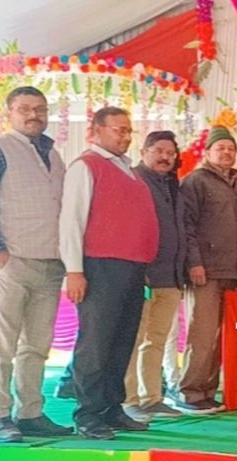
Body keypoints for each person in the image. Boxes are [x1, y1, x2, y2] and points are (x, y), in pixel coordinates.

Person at [0, 86, 72, 442]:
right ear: (9, 113)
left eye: (40, 108)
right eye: (24, 108)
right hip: (11, 259)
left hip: (50, 262)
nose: (33, 115)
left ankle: (30, 413)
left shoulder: (54, 155)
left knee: (37, 345)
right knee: (3, 344)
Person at [60, 107, 159, 439]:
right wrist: (74, 270)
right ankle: (88, 414)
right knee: (96, 343)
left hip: (132, 267)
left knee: (121, 340)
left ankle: (112, 407)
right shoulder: (86, 166)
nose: (125, 136)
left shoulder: (128, 170)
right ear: (97, 130)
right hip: (100, 265)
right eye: (118, 130)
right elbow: (71, 221)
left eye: (128, 130)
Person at [177, 127, 237, 414]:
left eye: (230, 148)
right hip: (206, 271)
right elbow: (186, 226)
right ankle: (189, 393)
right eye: (220, 148)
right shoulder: (196, 181)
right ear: (208, 152)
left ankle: (208, 391)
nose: (226, 152)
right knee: (201, 335)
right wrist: (194, 263)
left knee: (219, 338)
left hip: (234, 272)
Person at [122, 130, 186, 423]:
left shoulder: (173, 185)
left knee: (157, 340)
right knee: (134, 339)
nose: (165, 157)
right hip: (142, 275)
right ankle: (129, 400)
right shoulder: (134, 180)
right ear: (144, 151)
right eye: (159, 151)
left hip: (170, 276)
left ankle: (152, 398)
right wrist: (138, 270)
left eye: (170, 153)